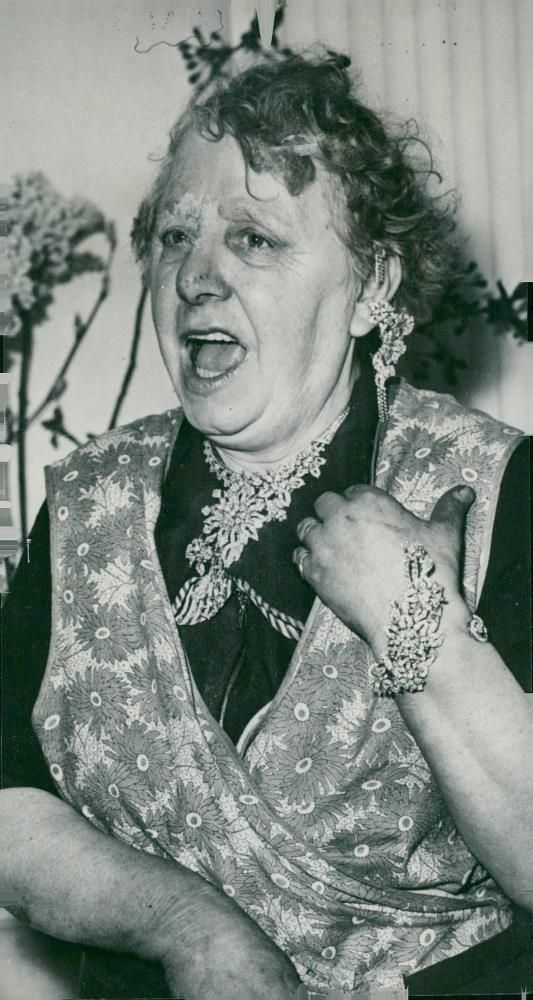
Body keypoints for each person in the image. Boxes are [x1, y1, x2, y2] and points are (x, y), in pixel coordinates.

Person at [1, 52, 532, 999]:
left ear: (373, 287)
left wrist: (421, 630)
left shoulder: (494, 484)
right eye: (174, 236)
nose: (195, 277)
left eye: (254, 239)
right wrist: (187, 928)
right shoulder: (88, 498)